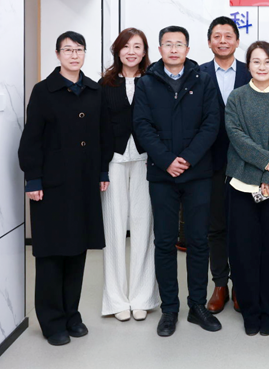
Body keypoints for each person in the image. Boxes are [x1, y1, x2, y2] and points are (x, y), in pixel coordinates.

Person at [18, 31, 111, 346]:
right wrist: (33, 178)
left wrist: (102, 171)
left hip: (84, 182)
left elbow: (102, 136)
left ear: (85, 53)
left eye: (79, 49)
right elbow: (31, 138)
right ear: (58, 54)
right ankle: (52, 321)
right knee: (51, 253)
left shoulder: (95, 90)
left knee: (77, 251)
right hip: (51, 185)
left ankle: (72, 315)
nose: (74, 55)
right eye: (67, 50)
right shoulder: (44, 91)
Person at [133, 25, 221, 337]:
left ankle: (197, 305)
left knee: (198, 240)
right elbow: (141, 125)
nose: (173, 49)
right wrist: (167, 160)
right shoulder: (146, 82)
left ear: (187, 49)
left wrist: (188, 159)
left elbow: (212, 123)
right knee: (165, 242)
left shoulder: (203, 79)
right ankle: (169, 309)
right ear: (159, 50)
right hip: (162, 174)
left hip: (198, 173)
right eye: (168, 44)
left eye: (179, 44)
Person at [225, 41, 269, 336]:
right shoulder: (237, 96)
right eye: (256, 61)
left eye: (267, 62)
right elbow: (235, 135)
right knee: (243, 252)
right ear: (248, 65)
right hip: (241, 184)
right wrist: (264, 161)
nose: (262, 67)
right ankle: (250, 311)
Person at [100, 28, 159, 322]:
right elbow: (98, 127)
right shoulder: (105, 84)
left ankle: (142, 297)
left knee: (143, 228)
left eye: (137, 46)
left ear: (145, 51)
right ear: (117, 50)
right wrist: (100, 167)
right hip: (114, 160)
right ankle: (116, 300)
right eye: (126, 46)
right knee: (113, 230)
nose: (131, 52)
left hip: (147, 160)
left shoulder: (154, 81)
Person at [201, 17, 250, 314]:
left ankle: (241, 284)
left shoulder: (251, 71)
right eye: (217, 36)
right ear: (209, 42)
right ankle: (220, 284)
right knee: (216, 226)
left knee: (243, 227)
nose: (222, 41)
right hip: (211, 162)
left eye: (228, 36)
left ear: (237, 41)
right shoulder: (198, 74)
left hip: (247, 163)